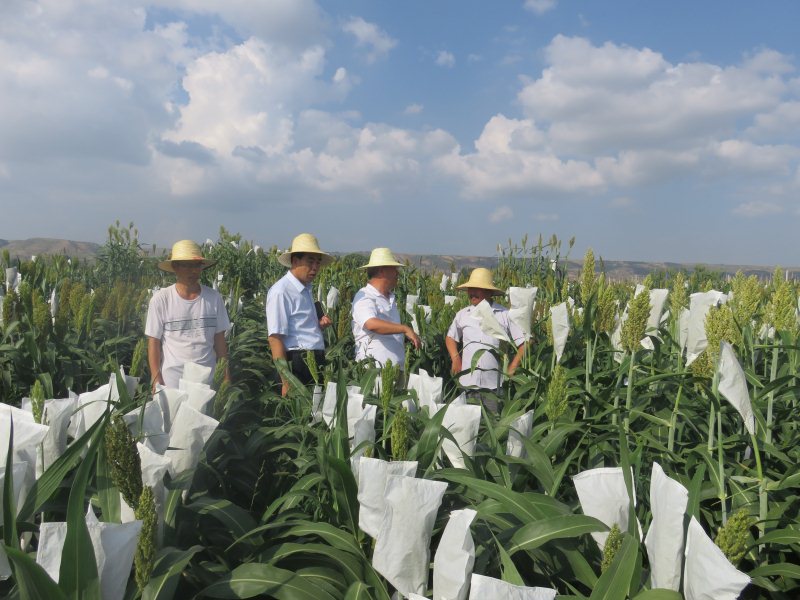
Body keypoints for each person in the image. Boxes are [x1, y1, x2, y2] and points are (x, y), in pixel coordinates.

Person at [145, 240, 231, 391]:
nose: (192, 271)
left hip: (207, 381)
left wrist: (225, 376)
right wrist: (155, 377)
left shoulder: (214, 298)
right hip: (172, 381)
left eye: (196, 265)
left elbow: (220, 341)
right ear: (175, 267)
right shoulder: (161, 300)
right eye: (186, 265)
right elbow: (154, 343)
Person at [445, 268, 526, 411]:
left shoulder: (504, 315)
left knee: (492, 426)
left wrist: (513, 366)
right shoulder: (463, 315)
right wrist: (455, 358)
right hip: (467, 385)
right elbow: (450, 337)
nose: (472, 292)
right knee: (468, 427)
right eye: (470, 288)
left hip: (494, 387)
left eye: (477, 288)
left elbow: (524, 342)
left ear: (489, 292)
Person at [266, 233, 333, 395]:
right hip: (297, 363)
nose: (315, 267)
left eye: (318, 262)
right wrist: (286, 381)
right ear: (295, 261)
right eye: (310, 261)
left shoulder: (306, 289)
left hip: (314, 360)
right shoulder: (281, 291)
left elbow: (300, 328)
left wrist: (318, 326)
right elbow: (275, 338)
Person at [351, 248, 420, 369]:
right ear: (382, 271)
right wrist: (404, 329)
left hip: (395, 371)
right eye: (394, 269)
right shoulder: (365, 296)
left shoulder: (391, 298)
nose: (397, 273)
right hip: (373, 373)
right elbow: (371, 324)